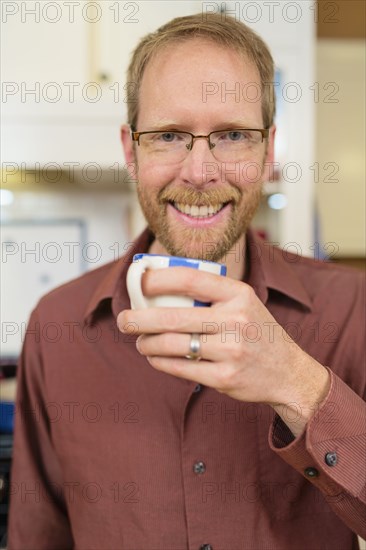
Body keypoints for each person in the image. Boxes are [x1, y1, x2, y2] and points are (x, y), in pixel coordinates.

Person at [8, 12, 365, 550]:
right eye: (169, 135)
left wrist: (297, 384)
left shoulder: (352, 309)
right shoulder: (56, 326)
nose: (199, 172)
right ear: (131, 150)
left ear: (268, 152)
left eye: (232, 135)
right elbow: (39, 536)